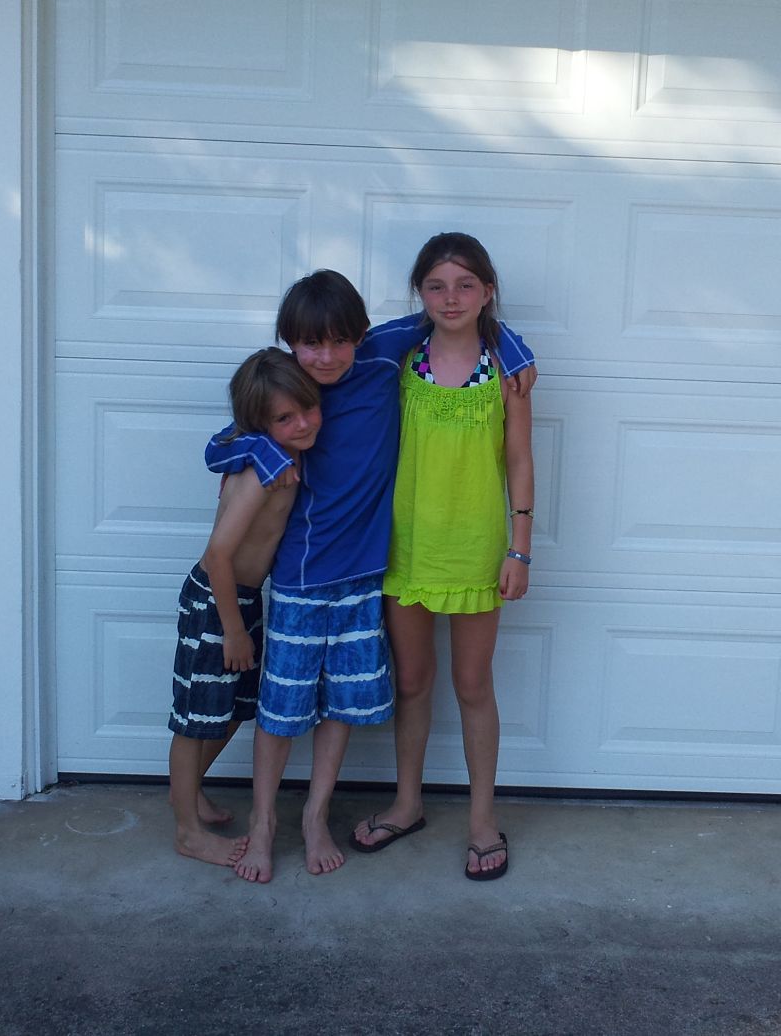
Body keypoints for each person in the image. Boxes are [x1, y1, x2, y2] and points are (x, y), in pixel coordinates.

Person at [206, 268, 536, 883]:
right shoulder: (287, 386)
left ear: (360, 334)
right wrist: (259, 450)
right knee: (281, 712)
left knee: (339, 708)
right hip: (301, 580)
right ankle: (263, 824)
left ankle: (316, 817)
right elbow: (220, 445)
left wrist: (514, 347)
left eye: (340, 340)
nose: (327, 357)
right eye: (310, 344)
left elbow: (452, 314)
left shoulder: (383, 354)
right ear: (289, 343)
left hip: (366, 579)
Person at [350, 233, 532, 880]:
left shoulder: (507, 369)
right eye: (436, 286)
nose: (450, 298)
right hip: (407, 547)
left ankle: (483, 820)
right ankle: (408, 803)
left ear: (487, 291)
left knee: (473, 686)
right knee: (412, 682)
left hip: (476, 551)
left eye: (464, 285)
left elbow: (519, 461)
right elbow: (339, 353)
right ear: (419, 294)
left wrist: (520, 548)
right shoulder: (399, 357)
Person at [167, 348, 321, 867]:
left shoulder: (279, 456)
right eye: (285, 418)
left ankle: (189, 794)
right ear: (260, 424)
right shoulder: (261, 472)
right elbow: (218, 555)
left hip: (244, 599)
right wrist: (233, 630)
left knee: (233, 710)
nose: (302, 424)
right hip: (218, 600)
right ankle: (187, 831)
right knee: (195, 719)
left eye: (308, 408)